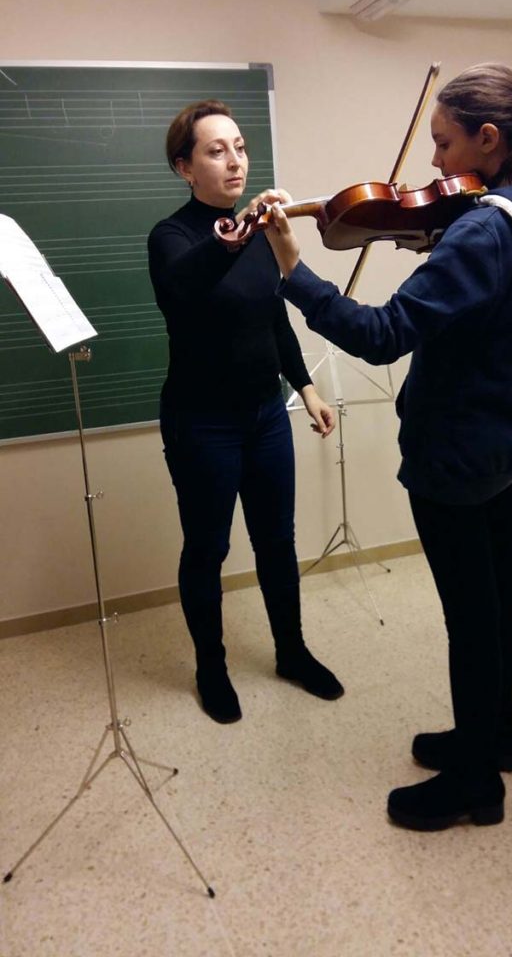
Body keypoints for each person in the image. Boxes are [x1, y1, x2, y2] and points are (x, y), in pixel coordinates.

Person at [263, 63, 512, 830]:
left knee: (470, 616)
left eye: (443, 144)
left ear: (489, 138)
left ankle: (475, 785)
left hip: (456, 450)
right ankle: (492, 736)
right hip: (504, 435)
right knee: (499, 590)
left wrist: (293, 270)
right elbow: (481, 293)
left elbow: (381, 336)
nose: (433, 163)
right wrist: (437, 256)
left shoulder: (480, 229)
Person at [147, 99, 344, 725]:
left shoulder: (256, 235)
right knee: (206, 547)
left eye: (239, 146)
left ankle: (291, 652)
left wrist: (305, 386)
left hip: (264, 417)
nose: (234, 160)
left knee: (276, 543)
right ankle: (211, 667)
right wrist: (228, 241)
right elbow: (183, 288)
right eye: (215, 150)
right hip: (201, 423)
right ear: (185, 167)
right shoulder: (173, 237)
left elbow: (273, 315)